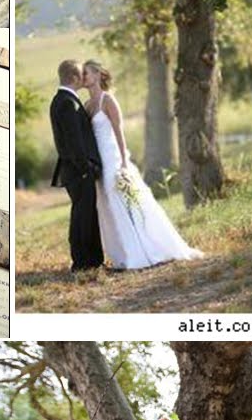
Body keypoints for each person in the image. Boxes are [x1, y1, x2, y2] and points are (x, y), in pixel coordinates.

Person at [82, 59, 202, 270]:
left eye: (86, 73)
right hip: (98, 163)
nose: (83, 77)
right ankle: (121, 254)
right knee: (108, 206)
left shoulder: (107, 101)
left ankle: (140, 251)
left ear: (99, 75)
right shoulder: (87, 105)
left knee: (124, 203)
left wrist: (123, 163)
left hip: (113, 159)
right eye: (82, 74)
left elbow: (119, 132)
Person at [49, 60, 104, 271]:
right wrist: (87, 168)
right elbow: (74, 143)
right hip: (78, 171)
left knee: (84, 214)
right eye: (82, 74)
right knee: (83, 216)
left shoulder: (64, 99)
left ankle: (88, 260)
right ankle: (84, 262)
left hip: (76, 170)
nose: (85, 78)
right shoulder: (66, 103)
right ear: (74, 77)